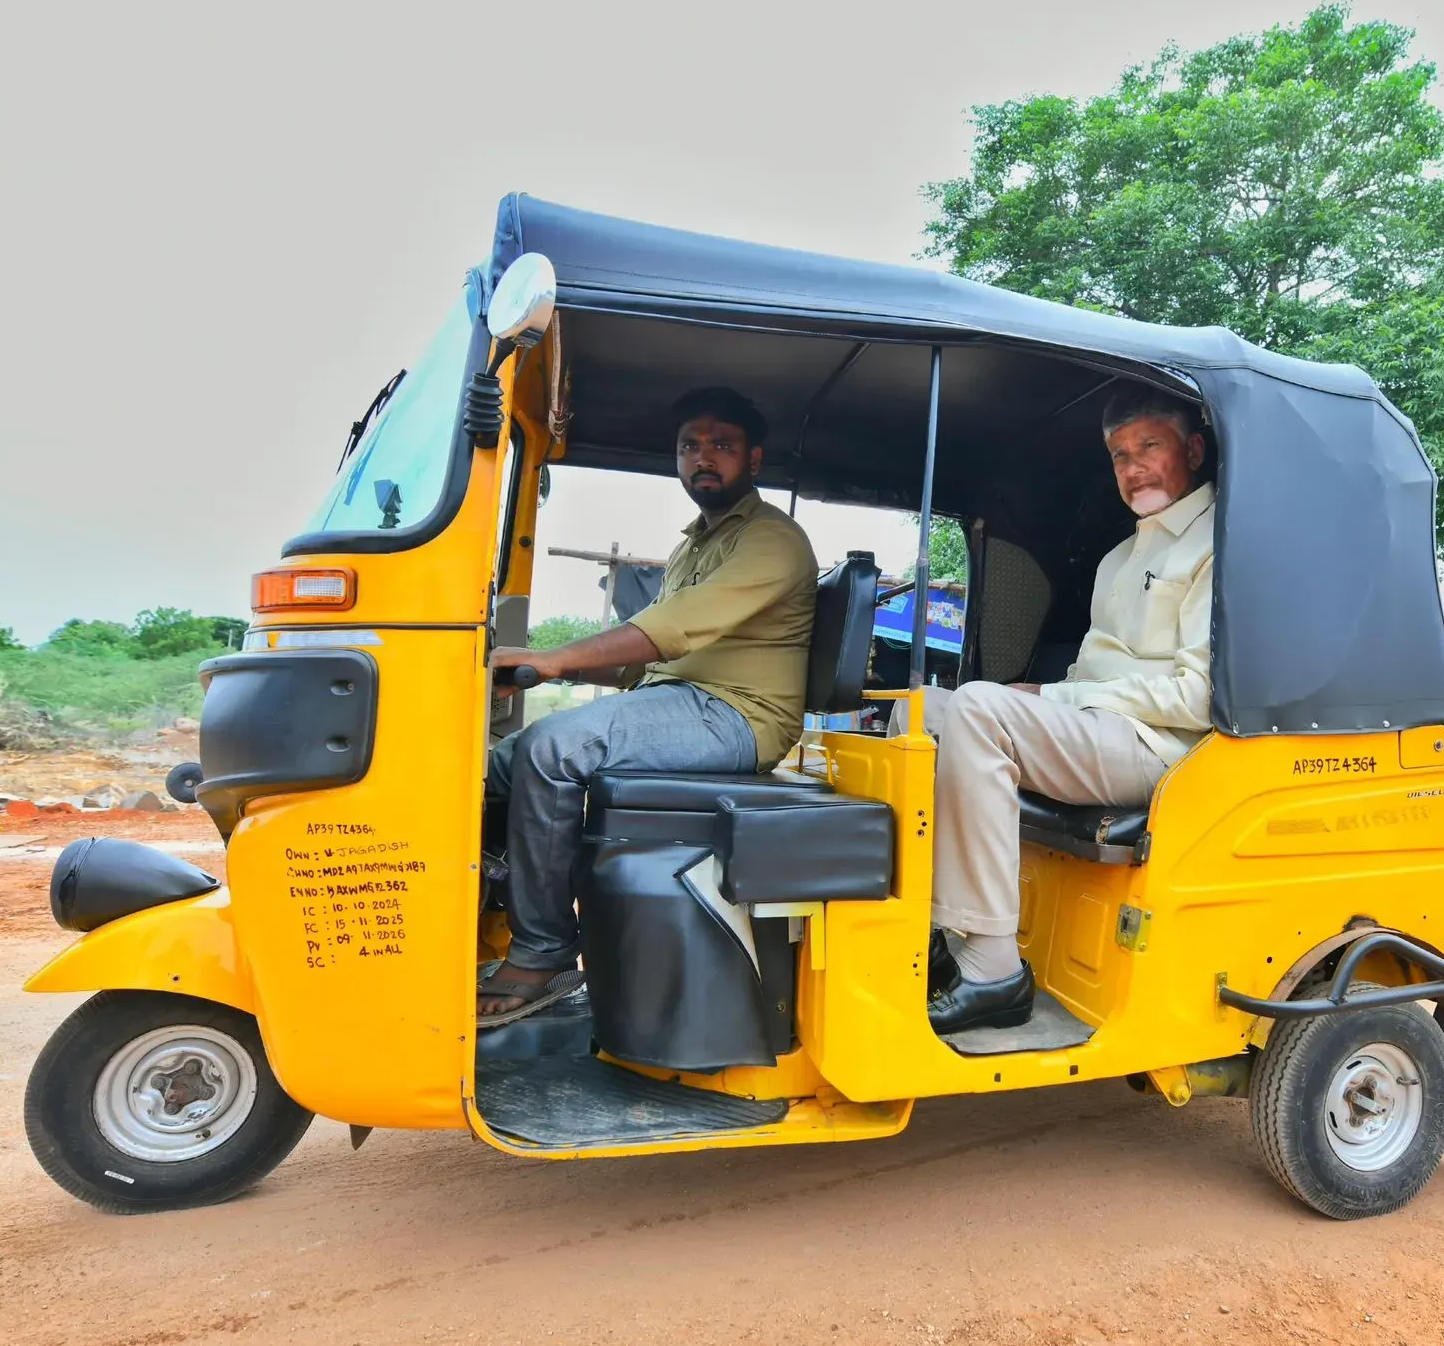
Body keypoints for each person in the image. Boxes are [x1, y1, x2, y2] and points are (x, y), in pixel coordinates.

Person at [477, 386, 819, 1024]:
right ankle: (479, 912)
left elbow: (675, 629)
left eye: (722, 445)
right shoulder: (694, 543)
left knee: (556, 748)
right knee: (503, 761)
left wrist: (554, 658)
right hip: (678, 700)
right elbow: (644, 661)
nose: (703, 458)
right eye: (691, 445)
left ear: (754, 460)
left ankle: (544, 951)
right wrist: (528, 671)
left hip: (738, 716)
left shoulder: (773, 540)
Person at [896, 384, 1215, 1036]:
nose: (1133, 468)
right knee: (920, 712)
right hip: (1103, 732)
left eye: (1149, 446)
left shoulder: (1220, 547)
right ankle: (929, 928)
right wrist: (1053, 699)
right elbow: (1087, 676)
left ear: (1194, 448)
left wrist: (1050, 698)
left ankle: (993, 971)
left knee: (982, 709)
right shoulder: (1119, 559)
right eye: (1119, 454)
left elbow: (1199, 698)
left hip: (1166, 752)